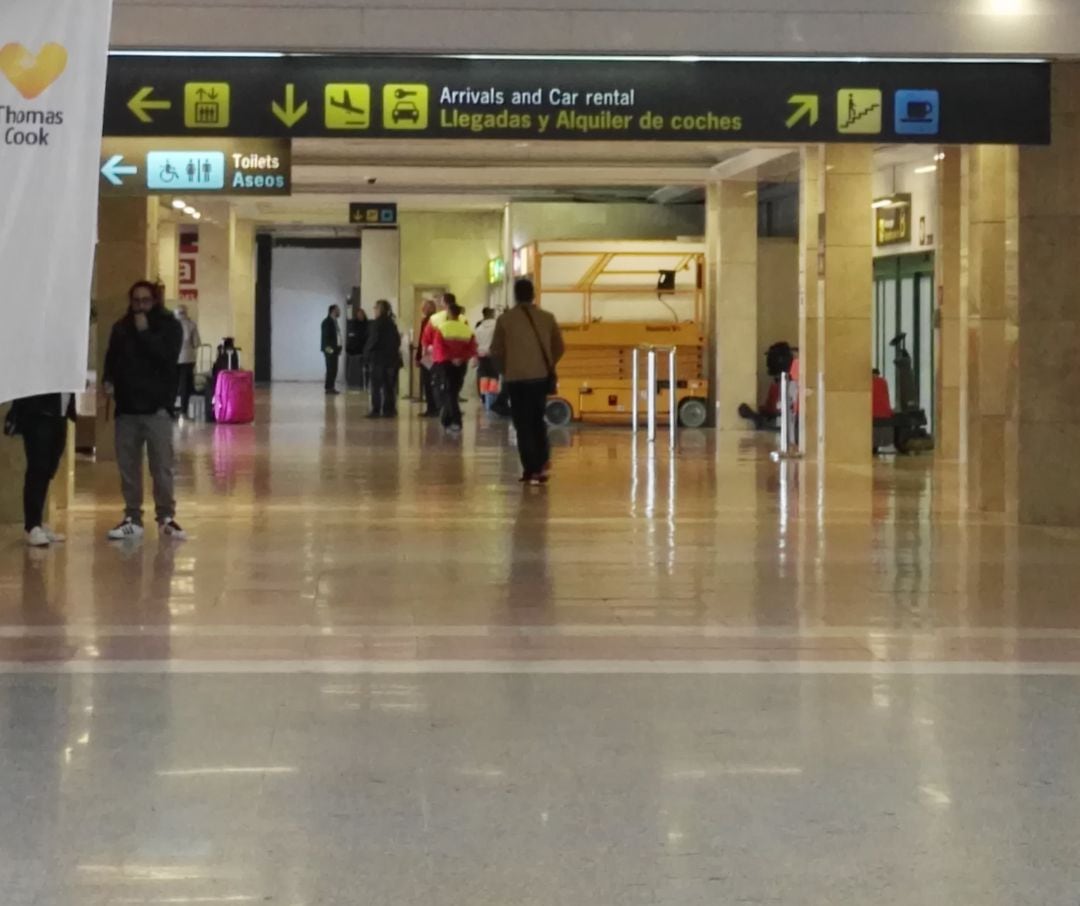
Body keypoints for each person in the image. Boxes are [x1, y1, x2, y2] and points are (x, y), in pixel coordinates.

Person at [102, 280, 186, 540]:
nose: (140, 307)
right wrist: (108, 380)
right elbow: (112, 358)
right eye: (136, 301)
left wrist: (145, 332)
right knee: (128, 466)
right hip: (127, 409)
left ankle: (166, 517)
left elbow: (166, 357)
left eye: (145, 301)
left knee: (161, 466)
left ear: (155, 301)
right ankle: (132, 518)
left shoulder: (169, 327)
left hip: (157, 409)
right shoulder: (121, 328)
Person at [491, 278, 564, 485]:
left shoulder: (505, 320)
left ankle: (530, 468)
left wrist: (506, 369)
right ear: (533, 294)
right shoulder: (547, 318)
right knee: (537, 420)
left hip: (516, 380)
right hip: (540, 378)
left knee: (522, 424)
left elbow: (496, 351)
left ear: (515, 295)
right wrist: (547, 364)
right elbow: (559, 347)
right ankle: (541, 465)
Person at [8, 394, 76, 547]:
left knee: (48, 469)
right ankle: (31, 526)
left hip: (61, 414)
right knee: (37, 468)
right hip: (38, 414)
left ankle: (37, 521)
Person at [431, 301, 478, 434]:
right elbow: (472, 347)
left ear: (449, 313)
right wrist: (462, 358)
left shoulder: (442, 327)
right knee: (453, 392)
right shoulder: (467, 329)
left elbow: (438, 347)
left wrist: (450, 358)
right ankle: (448, 419)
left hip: (445, 364)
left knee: (448, 392)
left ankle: (454, 420)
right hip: (461, 365)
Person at [364, 299, 402, 418]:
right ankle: (389, 410)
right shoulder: (392, 323)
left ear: (380, 309)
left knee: (376, 386)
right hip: (391, 360)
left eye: (375, 308)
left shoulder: (376, 323)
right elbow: (397, 341)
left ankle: (376, 410)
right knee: (389, 386)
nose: (374, 310)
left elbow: (373, 340)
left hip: (378, 360)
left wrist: (366, 354)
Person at [175, 304, 201, 418]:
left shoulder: (170, 326)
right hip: (188, 358)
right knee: (185, 385)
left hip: (172, 359)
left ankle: (171, 409)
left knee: (173, 384)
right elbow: (196, 343)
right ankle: (183, 411)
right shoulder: (191, 325)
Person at [416, 299, 438, 418]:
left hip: (428, 356)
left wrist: (419, 356)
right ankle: (435, 407)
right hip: (436, 355)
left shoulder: (428, 321)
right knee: (433, 382)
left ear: (431, 308)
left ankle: (432, 408)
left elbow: (422, 340)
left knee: (428, 382)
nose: (423, 309)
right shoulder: (438, 320)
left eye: (425, 307)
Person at [474, 307, 498, 411]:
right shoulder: (497, 325)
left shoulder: (479, 328)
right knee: (493, 376)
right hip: (494, 355)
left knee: (483, 376)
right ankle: (491, 399)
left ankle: (483, 397)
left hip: (481, 355)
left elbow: (475, 343)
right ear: (492, 314)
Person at [321, 305, 343, 395]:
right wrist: (330, 351)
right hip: (329, 350)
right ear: (333, 310)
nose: (339, 312)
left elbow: (337, 336)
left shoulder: (335, 321)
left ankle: (331, 387)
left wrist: (339, 348)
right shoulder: (327, 322)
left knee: (334, 369)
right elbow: (326, 339)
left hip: (335, 350)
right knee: (330, 369)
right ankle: (328, 388)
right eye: (338, 310)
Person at [346, 305, 369, 390]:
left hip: (364, 351)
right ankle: (354, 385)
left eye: (362, 314)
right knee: (355, 371)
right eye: (359, 314)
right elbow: (351, 337)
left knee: (364, 371)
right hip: (355, 351)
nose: (360, 316)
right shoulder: (353, 325)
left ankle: (363, 385)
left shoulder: (367, 325)